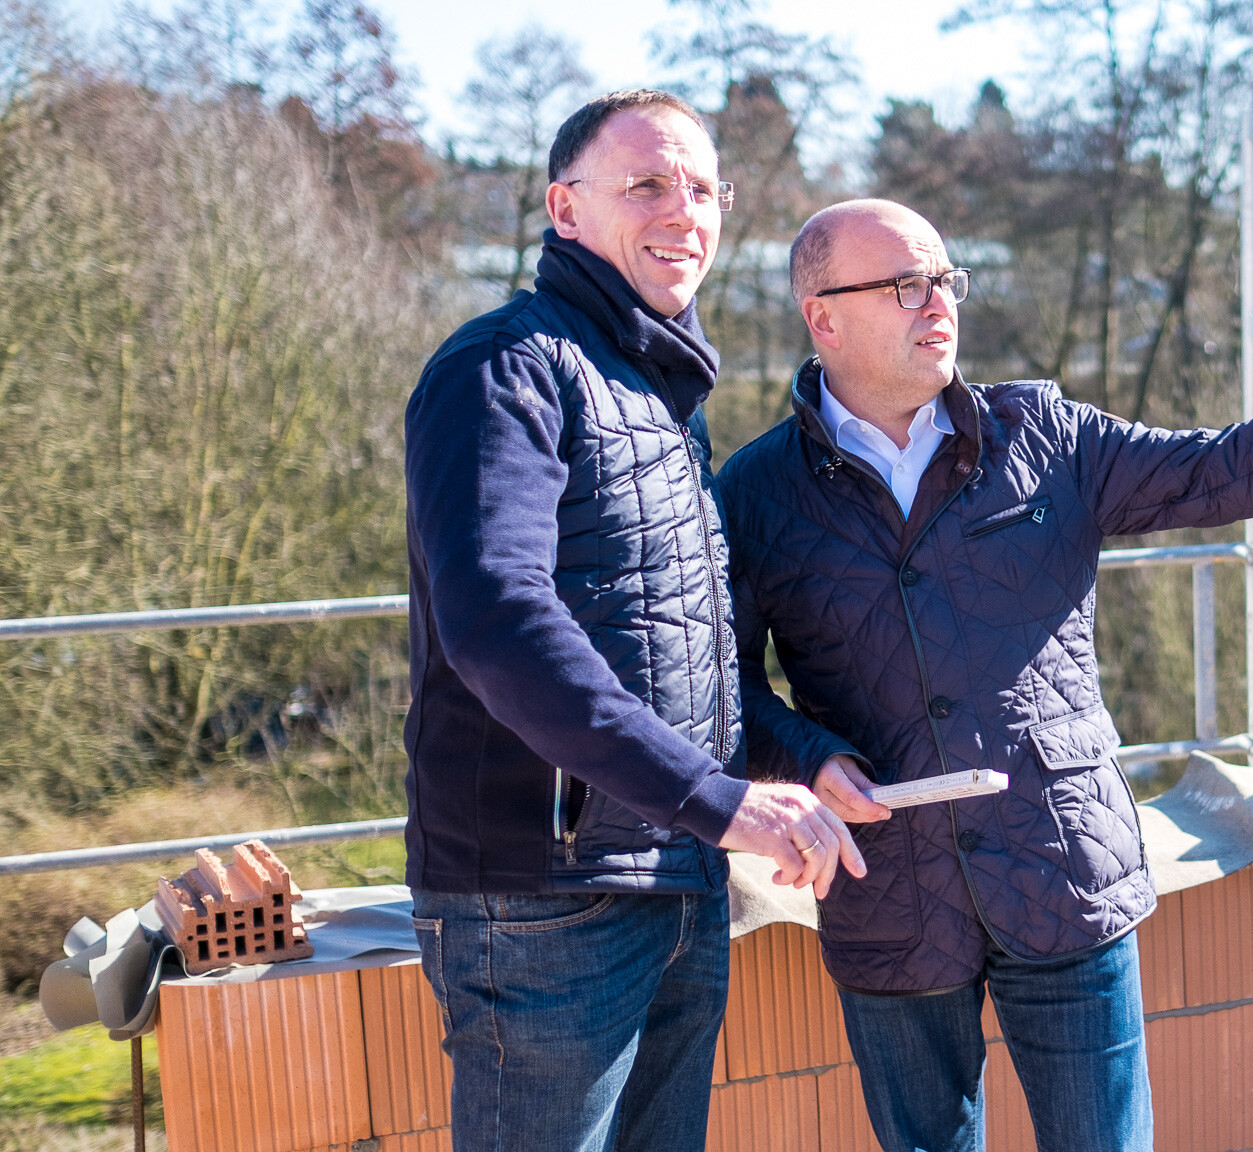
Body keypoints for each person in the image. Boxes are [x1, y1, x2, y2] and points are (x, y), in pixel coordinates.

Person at [717, 197, 1253, 1152]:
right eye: (906, 285)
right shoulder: (755, 491)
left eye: (946, 280)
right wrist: (812, 760)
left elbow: (1223, 470)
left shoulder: (1043, 435)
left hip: (1059, 863)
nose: (937, 302)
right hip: (888, 895)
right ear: (823, 314)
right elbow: (728, 688)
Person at [401, 90, 864, 1152]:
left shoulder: (657, 396)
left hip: (675, 878)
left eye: (701, 188)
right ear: (564, 209)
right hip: (543, 899)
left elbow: (672, 650)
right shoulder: (505, 368)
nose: (682, 209)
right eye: (647, 182)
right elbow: (498, 624)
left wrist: (790, 770)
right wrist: (716, 801)